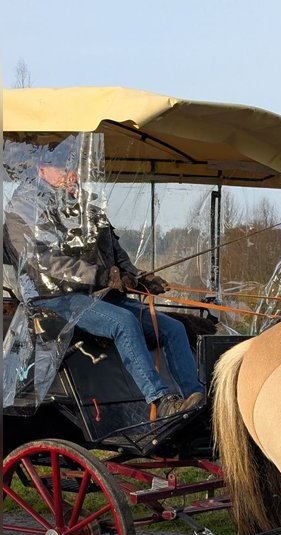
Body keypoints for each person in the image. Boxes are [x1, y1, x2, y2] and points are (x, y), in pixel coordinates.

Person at [5, 139, 204, 419]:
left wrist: (138, 277)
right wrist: (101, 276)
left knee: (172, 328)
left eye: (73, 166)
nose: (71, 172)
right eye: (63, 166)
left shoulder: (83, 205)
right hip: (54, 301)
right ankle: (161, 401)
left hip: (98, 297)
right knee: (123, 323)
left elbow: (114, 251)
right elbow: (44, 264)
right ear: (41, 169)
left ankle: (194, 400)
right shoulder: (22, 210)